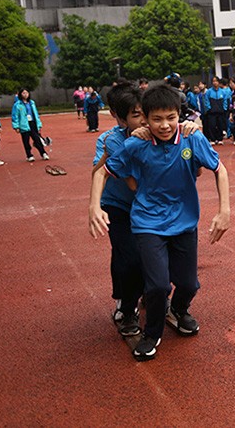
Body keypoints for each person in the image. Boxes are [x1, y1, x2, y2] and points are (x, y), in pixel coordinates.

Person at [89, 84, 230, 361]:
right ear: (146, 119)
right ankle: (151, 332)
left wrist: (224, 210)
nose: (164, 125)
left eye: (171, 117)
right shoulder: (135, 144)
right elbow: (102, 173)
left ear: (180, 115)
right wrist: (94, 206)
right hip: (148, 223)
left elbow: (219, 169)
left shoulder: (192, 138)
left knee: (189, 284)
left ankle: (178, 309)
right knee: (157, 286)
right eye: (156, 119)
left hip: (184, 222)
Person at [91, 82, 146, 338]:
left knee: (150, 253)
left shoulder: (157, 130)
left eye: (145, 112)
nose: (145, 119)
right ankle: (126, 306)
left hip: (148, 205)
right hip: (119, 205)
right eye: (136, 115)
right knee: (128, 255)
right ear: (120, 118)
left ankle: (153, 294)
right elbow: (130, 182)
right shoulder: (111, 140)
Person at [11, 88, 49, 162]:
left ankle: (43, 153)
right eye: (23, 93)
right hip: (23, 124)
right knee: (26, 140)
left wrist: (39, 124)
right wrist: (16, 126)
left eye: (26, 93)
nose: (25, 94)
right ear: (20, 94)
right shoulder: (17, 104)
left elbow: (36, 114)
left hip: (32, 123)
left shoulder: (32, 103)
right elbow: (14, 116)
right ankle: (29, 155)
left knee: (37, 139)